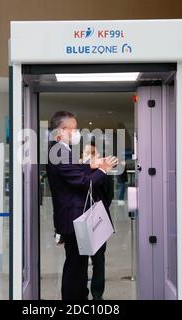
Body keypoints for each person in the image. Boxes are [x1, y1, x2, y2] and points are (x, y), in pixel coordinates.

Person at [46, 111, 118, 300]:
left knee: (76, 265)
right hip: (75, 218)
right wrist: (103, 169)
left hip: (72, 218)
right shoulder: (60, 151)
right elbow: (82, 182)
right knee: (75, 268)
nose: (76, 132)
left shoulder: (59, 150)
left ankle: (78, 297)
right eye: (74, 128)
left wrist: (90, 165)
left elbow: (74, 172)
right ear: (61, 130)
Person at [82, 142, 114, 300]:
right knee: (81, 260)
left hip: (98, 220)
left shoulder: (104, 174)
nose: (89, 156)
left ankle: (97, 294)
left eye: (92, 153)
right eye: (86, 153)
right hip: (81, 220)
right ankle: (86, 293)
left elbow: (109, 196)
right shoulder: (80, 172)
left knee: (98, 260)